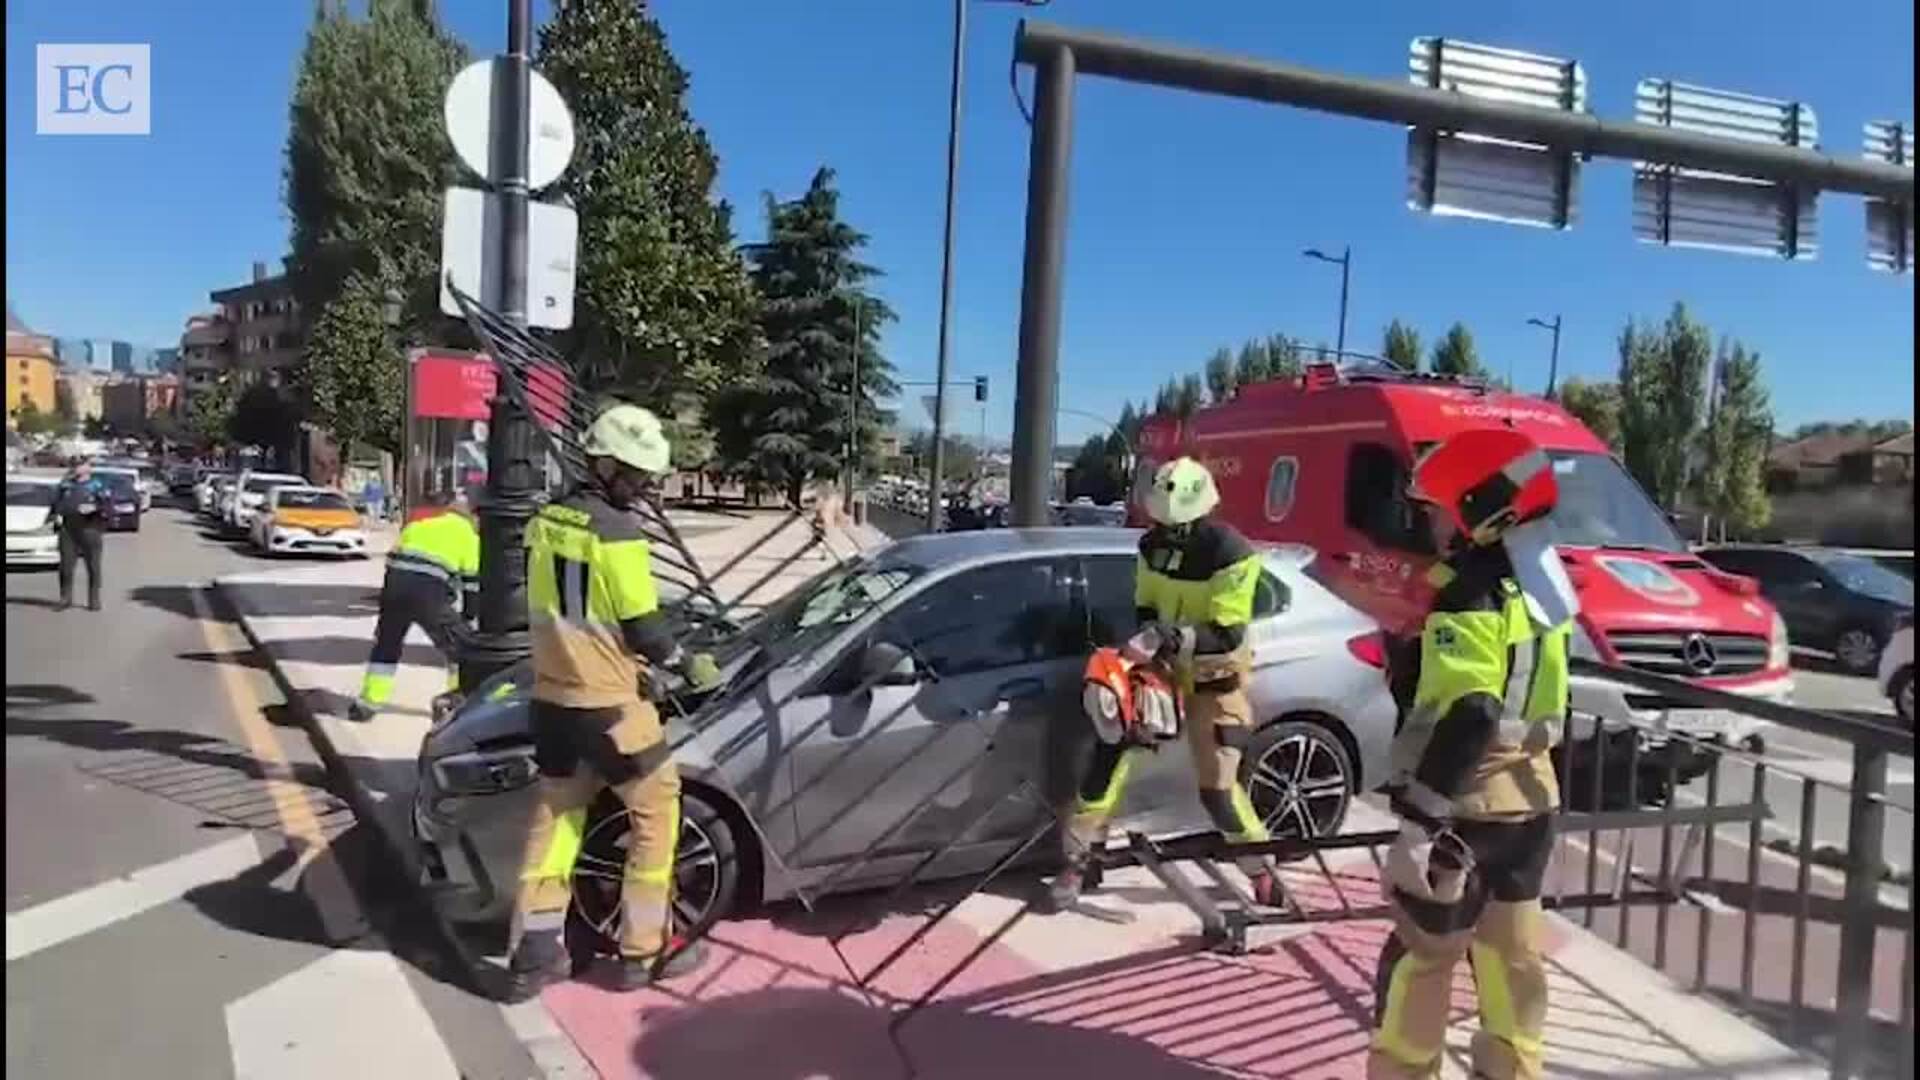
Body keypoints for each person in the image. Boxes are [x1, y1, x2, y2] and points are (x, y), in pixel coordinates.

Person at [1368, 428, 1578, 1080]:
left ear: (1474, 510)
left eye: (1435, 510)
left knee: (1420, 962)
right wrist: (1411, 664)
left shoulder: (1468, 594)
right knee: (1510, 962)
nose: (1428, 524)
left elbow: (1475, 712)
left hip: (1464, 811)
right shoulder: (1544, 588)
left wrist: (1421, 821)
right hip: (1531, 805)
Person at [503, 403, 722, 1001]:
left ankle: (533, 957)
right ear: (601, 462)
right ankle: (641, 952)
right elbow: (645, 629)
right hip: (612, 711)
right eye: (636, 474)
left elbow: (571, 611)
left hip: (552, 702)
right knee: (656, 811)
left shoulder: (543, 520)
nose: (644, 487)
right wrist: (684, 664)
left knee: (556, 823)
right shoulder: (620, 532)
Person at [1044, 456, 1281, 914]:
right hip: (1164, 673)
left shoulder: (1232, 552)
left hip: (1215, 681)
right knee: (1105, 760)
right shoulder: (1151, 546)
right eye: (1165, 523)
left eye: (1180, 524)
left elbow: (1227, 632)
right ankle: (1077, 863)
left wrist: (1165, 636)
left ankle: (1262, 873)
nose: (1172, 533)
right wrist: (1148, 641)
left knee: (1219, 792)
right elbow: (1146, 604)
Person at [347, 487, 480, 722]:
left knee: (387, 645)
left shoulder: (417, 525)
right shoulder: (467, 534)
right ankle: (458, 703)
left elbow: (393, 561)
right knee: (463, 648)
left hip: (395, 587)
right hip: (428, 592)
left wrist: (385, 609)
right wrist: (468, 618)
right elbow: (471, 583)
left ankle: (367, 704)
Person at [53, 457, 110, 612]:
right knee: (66, 567)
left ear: (88, 467)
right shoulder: (65, 484)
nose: (76, 468)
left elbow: (108, 506)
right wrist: (56, 515)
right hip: (68, 529)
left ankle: (94, 600)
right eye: (74, 465)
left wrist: (95, 508)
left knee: (93, 567)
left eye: (80, 465)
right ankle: (65, 598)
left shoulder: (97, 485)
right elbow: (55, 503)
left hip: (90, 528)